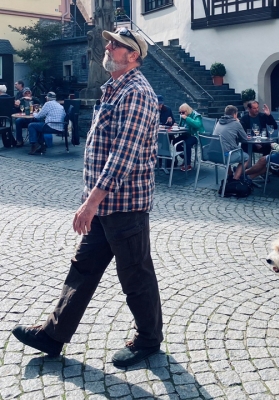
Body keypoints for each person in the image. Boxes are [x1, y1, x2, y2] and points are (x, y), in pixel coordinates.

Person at [12, 27, 163, 368]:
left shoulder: (137, 92)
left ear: (133, 55)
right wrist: (93, 201)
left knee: (135, 273)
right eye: (110, 41)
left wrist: (91, 202)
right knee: (82, 269)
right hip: (104, 203)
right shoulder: (113, 88)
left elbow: (123, 155)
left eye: (117, 45)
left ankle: (149, 339)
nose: (108, 46)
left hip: (124, 205)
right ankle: (53, 334)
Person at [211, 105, 249, 180]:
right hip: (225, 156)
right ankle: (235, 179)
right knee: (246, 157)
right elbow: (245, 138)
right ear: (235, 114)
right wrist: (238, 122)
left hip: (213, 154)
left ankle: (230, 174)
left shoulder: (219, 121)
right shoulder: (236, 123)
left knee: (226, 148)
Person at [175, 103, 205, 171]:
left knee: (187, 143)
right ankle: (184, 156)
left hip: (195, 135)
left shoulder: (196, 115)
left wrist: (187, 118)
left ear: (187, 110)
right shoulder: (182, 116)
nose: (181, 114)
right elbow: (181, 126)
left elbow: (197, 124)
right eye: (180, 112)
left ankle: (187, 163)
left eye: (183, 112)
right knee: (175, 141)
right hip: (186, 134)